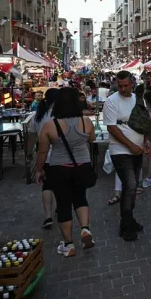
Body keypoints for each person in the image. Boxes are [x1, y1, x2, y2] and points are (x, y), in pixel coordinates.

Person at [36, 87, 96, 257]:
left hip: (59, 168)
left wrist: (39, 170)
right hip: (82, 166)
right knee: (80, 197)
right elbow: (91, 140)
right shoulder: (86, 122)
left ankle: (69, 245)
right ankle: (85, 229)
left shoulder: (50, 125)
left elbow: (42, 152)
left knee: (63, 204)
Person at [103, 71, 149, 241]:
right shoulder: (111, 101)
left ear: (132, 84)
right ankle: (125, 225)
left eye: (126, 85)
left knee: (133, 186)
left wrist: (146, 141)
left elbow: (144, 121)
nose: (123, 89)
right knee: (129, 185)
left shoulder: (138, 99)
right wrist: (131, 146)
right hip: (120, 151)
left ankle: (130, 219)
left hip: (137, 150)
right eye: (120, 85)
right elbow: (112, 128)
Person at [33, 88, 59, 229]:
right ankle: (60, 209)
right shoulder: (60, 116)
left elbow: (32, 136)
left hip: (44, 156)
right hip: (59, 155)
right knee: (60, 184)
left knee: (47, 185)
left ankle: (48, 216)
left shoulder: (38, 116)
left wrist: (29, 154)